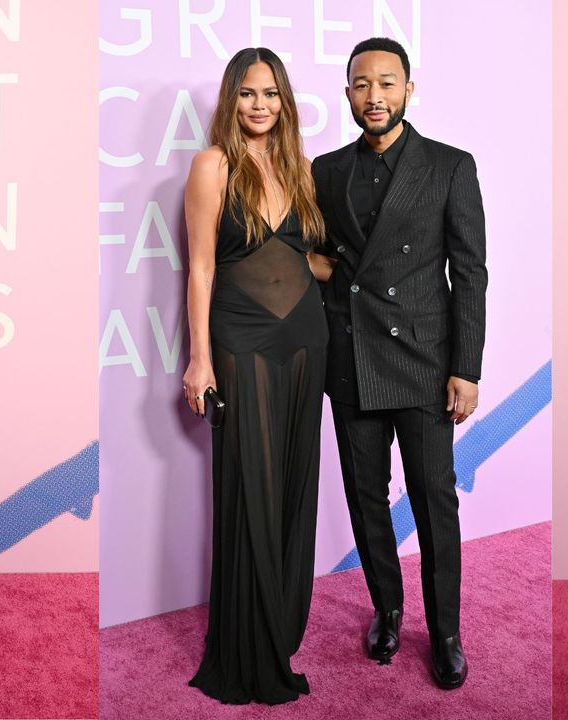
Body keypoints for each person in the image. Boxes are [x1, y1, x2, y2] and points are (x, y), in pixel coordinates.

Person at [311, 37, 487, 690]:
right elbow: (322, 256)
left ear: (409, 90)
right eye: (361, 84)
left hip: (423, 360)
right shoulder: (326, 171)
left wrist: (465, 368)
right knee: (365, 497)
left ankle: (444, 632)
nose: (374, 95)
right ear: (348, 93)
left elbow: (470, 273)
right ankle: (387, 609)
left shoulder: (449, 166)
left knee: (435, 501)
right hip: (352, 358)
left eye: (387, 83)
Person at [180, 47, 329, 705]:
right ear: (230, 100)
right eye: (247, 93)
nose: (259, 104)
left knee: (295, 484)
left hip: (306, 339)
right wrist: (200, 357)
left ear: (284, 99)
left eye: (269, 93)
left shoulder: (299, 168)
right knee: (251, 488)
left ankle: (282, 628)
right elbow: (203, 267)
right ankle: (249, 646)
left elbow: (306, 256)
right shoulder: (213, 166)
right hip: (240, 341)